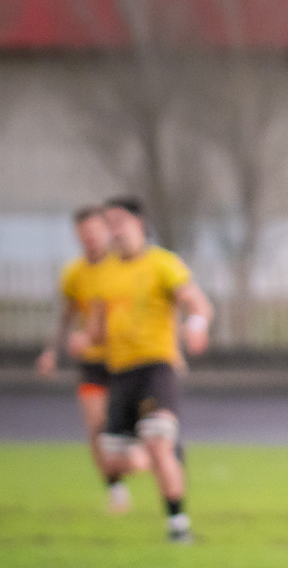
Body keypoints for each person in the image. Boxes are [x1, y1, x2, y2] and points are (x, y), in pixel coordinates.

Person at [90, 197, 214, 543]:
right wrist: (82, 339)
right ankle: (162, 447)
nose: (113, 230)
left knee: (156, 441)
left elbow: (196, 301)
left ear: (138, 223)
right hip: (121, 372)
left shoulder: (162, 263)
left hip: (157, 366)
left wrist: (197, 324)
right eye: (108, 223)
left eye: (119, 222)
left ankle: (178, 526)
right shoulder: (106, 272)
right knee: (113, 463)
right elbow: (96, 330)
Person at [36, 204, 146, 510]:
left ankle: (151, 457)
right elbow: (66, 316)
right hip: (93, 362)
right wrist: (50, 351)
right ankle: (116, 490)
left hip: (128, 360)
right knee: (95, 425)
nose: (90, 239)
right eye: (83, 235)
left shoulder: (124, 265)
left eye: (95, 232)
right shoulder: (74, 273)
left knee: (137, 432)